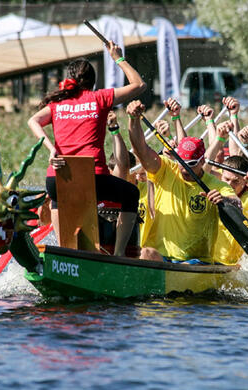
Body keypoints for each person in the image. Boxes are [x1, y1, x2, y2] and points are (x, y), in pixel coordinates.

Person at [27, 42, 146, 256]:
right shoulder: (99, 98)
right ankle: (118, 255)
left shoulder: (56, 105)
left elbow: (33, 121)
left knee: (57, 199)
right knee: (131, 193)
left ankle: (65, 252)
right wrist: (117, 57)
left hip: (57, 178)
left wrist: (51, 149)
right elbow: (138, 85)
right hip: (93, 178)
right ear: (93, 81)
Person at [126, 100, 239, 264]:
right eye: (182, 164)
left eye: (191, 165)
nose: (185, 169)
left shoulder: (217, 185)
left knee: (186, 265)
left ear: (203, 161)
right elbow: (141, 150)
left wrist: (225, 201)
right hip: (161, 257)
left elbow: (237, 204)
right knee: (145, 253)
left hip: (196, 261)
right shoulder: (166, 169)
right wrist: (133, 119)